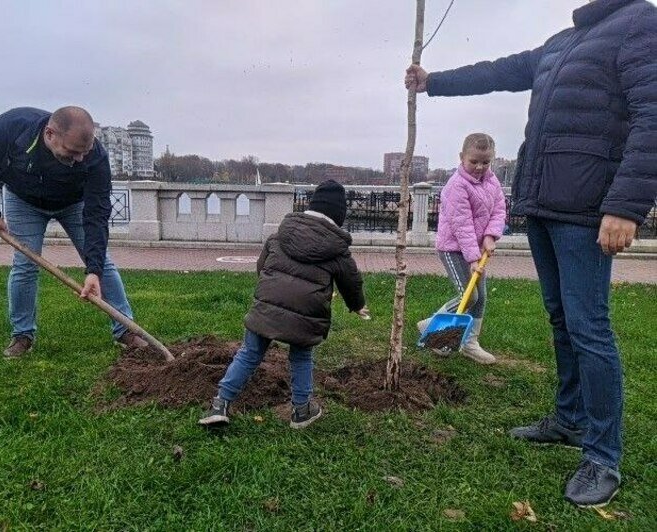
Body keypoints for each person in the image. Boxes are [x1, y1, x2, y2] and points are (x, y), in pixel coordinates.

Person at [405, 0, 656, 508]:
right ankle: (568, 419)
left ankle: (603, 455)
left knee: (590, 328)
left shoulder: (641, 22)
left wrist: (626, 206)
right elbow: (502, 70)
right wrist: (433, 81)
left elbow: (653, 114)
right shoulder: (564, 42)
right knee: (561, 319)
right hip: (544, 203)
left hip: (587, 208)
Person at [0, 106, 149, 358]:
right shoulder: (11, 126)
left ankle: (126, 330)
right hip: (23, 200)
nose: (78, 160)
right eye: (72, 153)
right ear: (50, 134)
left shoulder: (95, 156)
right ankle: (22, 335)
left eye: (83, 154)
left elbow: (97, 214)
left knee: (102, 264)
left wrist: (93, 270)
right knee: (25, 265)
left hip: (74, 204)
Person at [199, 180, 368, 429]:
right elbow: (350, 281)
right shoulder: (337, 250)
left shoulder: (279, 236)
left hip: (266, 306)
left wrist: (271, 291)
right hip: (305, 314)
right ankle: (301, 410)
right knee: (300, 357)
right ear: (338, 216)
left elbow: (261, 267)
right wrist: (356, 305)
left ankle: (220, 404)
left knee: (249, 353)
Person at [417, 133, 506, 365]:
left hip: (476, 249)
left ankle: (470, 344)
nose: (479, 167)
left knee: (481, 297)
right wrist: (473, 257)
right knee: (469, 295)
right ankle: (433, 327)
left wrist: (489, 236)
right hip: (454, 248)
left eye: (485, 162)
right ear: (461, 157)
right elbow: (462, 225)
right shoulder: (456, 186)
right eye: (474, 161)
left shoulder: (492, 181)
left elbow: (499, 210)